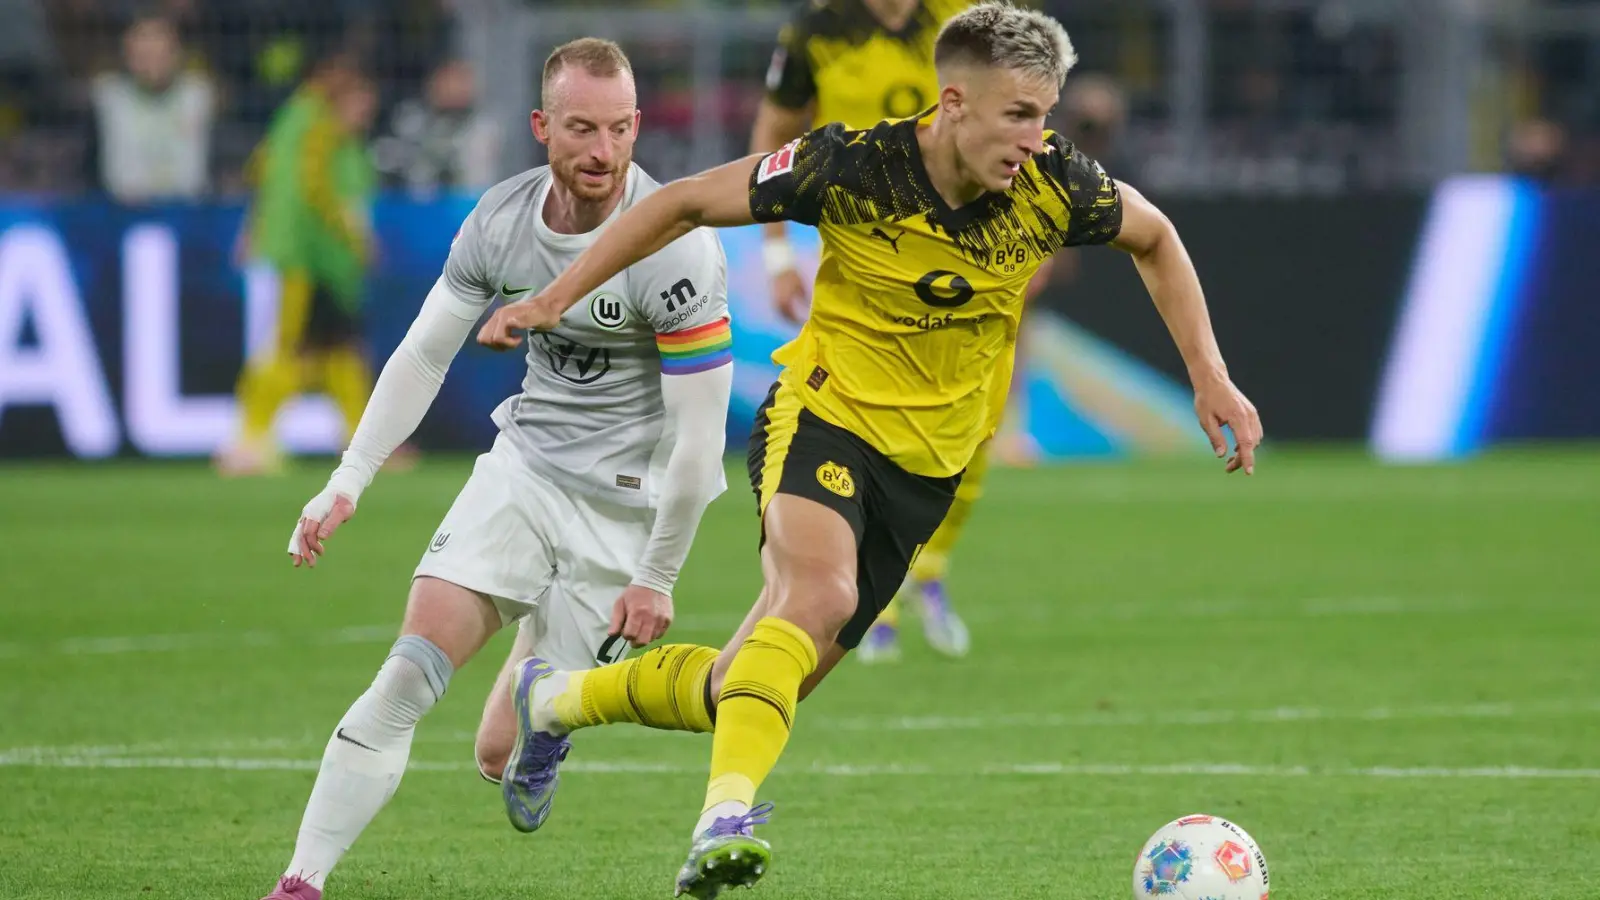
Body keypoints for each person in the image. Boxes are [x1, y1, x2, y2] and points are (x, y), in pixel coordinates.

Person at [479, 4, 1262, 896]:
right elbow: (681, 201)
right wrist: (552, 299)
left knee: (745, 685)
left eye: (1045, 112)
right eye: (1017, 114)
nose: (1035, 136)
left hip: (925, 472)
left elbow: (1154, 237)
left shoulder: (1056, 184)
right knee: (820, 592)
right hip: (823, 419)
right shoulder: (853, 165)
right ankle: (723, 818)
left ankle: (555, 699)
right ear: (955, 102)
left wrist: (1209, 374)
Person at [257, 38, 734, 900]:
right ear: (540, 126)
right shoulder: (500, 221)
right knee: (405, 674)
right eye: (582, 129)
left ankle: (543, 705)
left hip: (626, 507)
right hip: (525, 472)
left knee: (495, 755)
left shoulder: (678, 246)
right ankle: (301, 882)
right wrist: (347, 480)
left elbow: (700, 442)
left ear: (637, 128)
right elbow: (422, 354)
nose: (603, 152)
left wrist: (658, 576)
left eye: (620, 129)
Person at [751, 0, 1049, 664]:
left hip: (971, 250)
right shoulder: (817, 31)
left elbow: (1020, 100)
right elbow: (775, 126)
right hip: (866, 255)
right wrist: (775, 253)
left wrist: (1039, 224)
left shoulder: (964, 19)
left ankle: (930, 570)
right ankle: (866, 592)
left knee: (975, 428)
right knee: (863, 429)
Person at [219, 55, 381, 477]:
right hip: (308, 257)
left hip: (321, 261)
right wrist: (354, 237)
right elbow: (317, 190)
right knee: (292, 348)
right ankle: (249, 441)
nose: (365, 112)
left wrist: (255, 225)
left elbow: (263, 168)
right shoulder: (317, 128)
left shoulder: (298, 122)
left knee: (338, 350)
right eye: (360, 101)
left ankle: (357, 440)